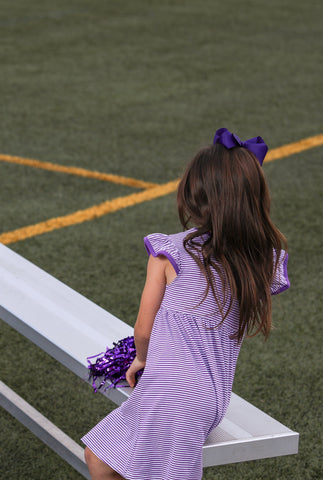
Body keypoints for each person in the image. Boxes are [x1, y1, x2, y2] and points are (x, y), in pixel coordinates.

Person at [82, 128, 290, 479]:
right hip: (211, 400)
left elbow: (143, 330)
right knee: (100, 457)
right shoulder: (261, 262)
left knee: (106, 460)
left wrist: (141, 359)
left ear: (194, 197)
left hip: (170, 395)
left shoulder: (169, 252)